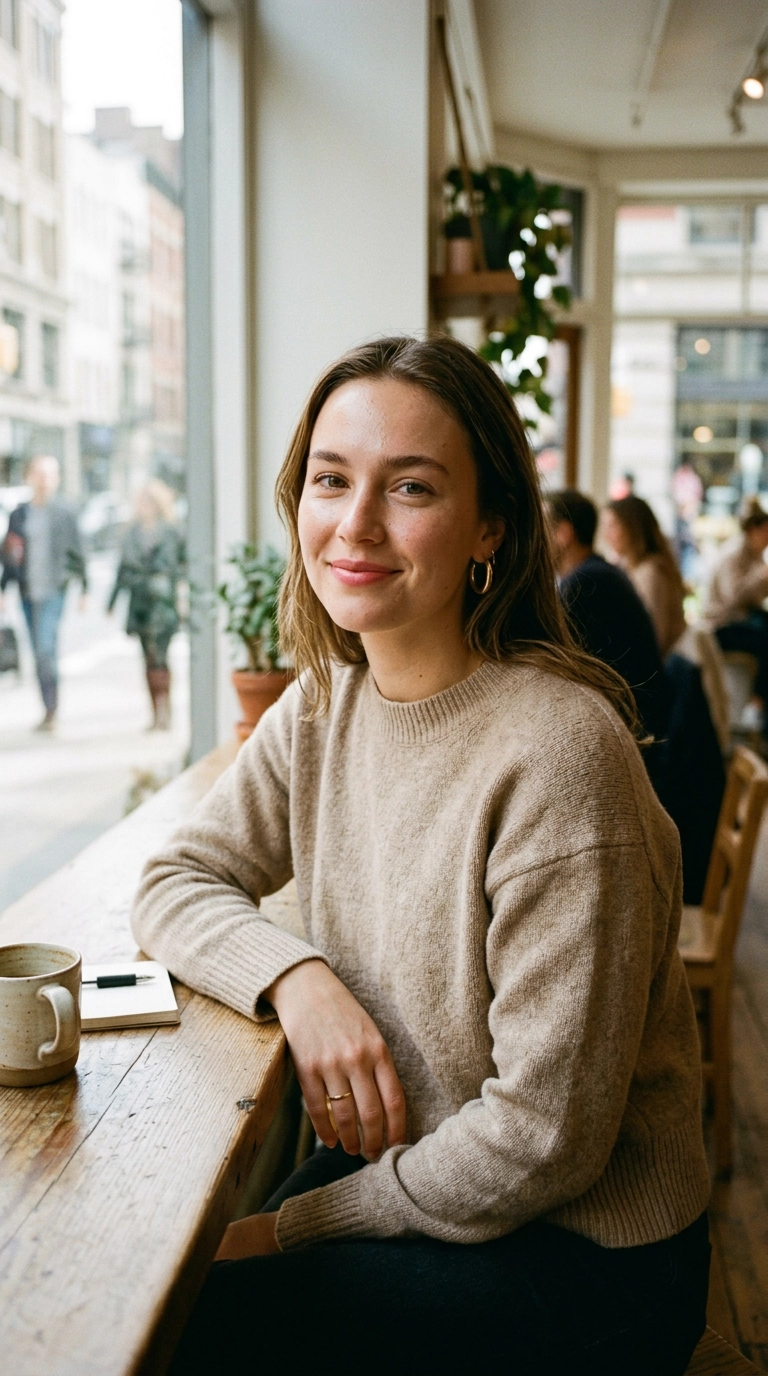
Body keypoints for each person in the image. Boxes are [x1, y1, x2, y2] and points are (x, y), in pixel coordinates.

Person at [133, 338, 709, 1376]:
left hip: (583, 1251)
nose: (354, 524)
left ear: (490, 524)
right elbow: (174, 879)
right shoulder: (325, 702)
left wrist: (300, 1224)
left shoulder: (559, 753)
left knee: (196, 1324)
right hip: (419, 1170)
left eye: (410, 487)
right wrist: (296, 976)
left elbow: (542, 1140)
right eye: (330, 479)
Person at [546, 488, 669, 749]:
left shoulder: (585, 584)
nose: (537, 539)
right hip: (634, 723)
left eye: (543, 527)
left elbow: (558, 670)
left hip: (630, 735)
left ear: (564, 533)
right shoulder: (600, 573)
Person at [0, 454, 87, 730]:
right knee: (37, 649)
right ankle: (48, 708)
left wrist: (86, 588)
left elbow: (79, 550)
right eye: (38, 474)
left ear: (57, 479)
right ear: (29, 477)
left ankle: (52, 709)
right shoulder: (20, 513)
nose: (43, 480)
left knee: (45, 648)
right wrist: (3, 589)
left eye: (48, 474)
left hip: (53, 590)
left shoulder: (65, 512)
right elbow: (10, 555)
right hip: (27, 591)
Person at [108, 479, 185, 729]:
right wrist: (111, 601)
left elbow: (184, 566)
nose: (144, 506)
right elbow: (122, 570)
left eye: (149, 501)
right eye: (141, 502)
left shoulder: (172, 532)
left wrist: (182, 595)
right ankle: (155, 712)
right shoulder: (130, 534)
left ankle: (165, 709)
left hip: (164, 604)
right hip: (140, 603)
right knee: (147, 658)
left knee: (160, 656)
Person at [703, 496, 768, 732]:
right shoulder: (735, 552)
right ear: (755, 530)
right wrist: (760, 578)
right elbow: (733, 599)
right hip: (720, 624)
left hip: (737, 620)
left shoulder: (754, 555)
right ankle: (757, 703)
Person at [602, 494, 686, 657]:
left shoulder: (651, 573)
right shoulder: (629, 568)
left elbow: (654, 638)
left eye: (613, 526)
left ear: (633, 528)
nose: (607, 535)